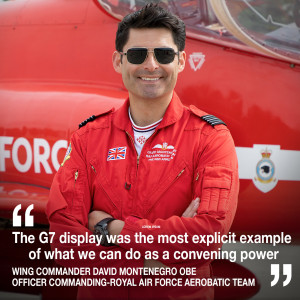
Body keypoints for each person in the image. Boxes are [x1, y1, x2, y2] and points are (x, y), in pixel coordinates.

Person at [46, 3, 239, 300]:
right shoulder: (87, 138)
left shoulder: (211, 138)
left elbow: (205, 237)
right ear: (118, 61)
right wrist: (146, 264)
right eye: (137, 55)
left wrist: (113, 229)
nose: (151, 65)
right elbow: (64, 240)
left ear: (181, 61)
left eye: (163, 55)